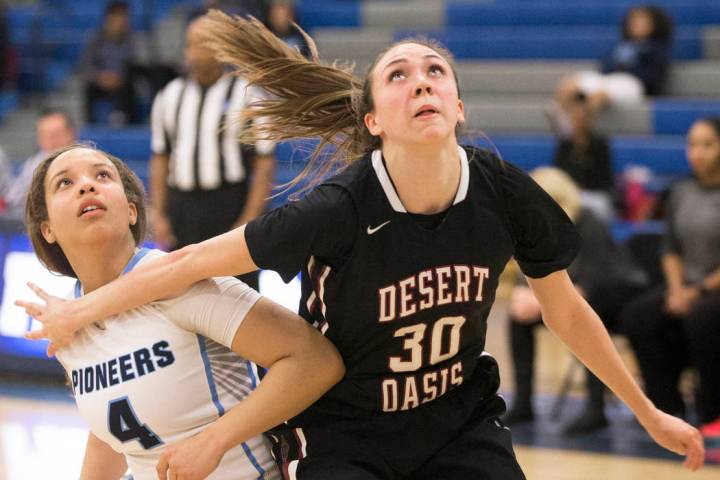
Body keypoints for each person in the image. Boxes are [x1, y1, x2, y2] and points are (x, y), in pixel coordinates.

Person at [18, 12, 704, 478]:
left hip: (456, 417)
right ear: (375, 119)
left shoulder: (500, 187)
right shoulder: (340, 207)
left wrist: (646, 413)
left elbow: (565, 307)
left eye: (435, 72)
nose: (422, 82)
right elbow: (192, 260)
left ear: (459, 106)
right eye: (399, 75)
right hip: (349, 430)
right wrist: (80, 314)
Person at [21, 144, 343, 479]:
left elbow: (315, 362)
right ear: (48, 230)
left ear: (132, 210)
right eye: (65, 183)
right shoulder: (67, 323)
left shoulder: (181, 284)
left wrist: (212, 441)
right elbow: (115, 430)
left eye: (102, 175)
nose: (87, 185)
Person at [503, 167, 648, 434]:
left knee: (587, 312)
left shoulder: (587, 220)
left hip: (618, 297)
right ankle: (524, 403)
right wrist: (520, 295)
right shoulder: (533, 227)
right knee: (518, 319)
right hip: (572, 297)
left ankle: (596, 408)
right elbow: (529, 273)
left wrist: (539, 301)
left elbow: (595, 281)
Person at [149, 15, 276, 290]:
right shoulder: (170, 95)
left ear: (221, 47)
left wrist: (249, 219)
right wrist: (159, 213)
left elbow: (264, 161)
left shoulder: (247, 94)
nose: (194, 53)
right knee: (182, 293)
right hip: (183, 206)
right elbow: (160, 156)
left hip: (229, 202)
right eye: (190, 45)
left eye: (202, 44)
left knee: (239, 291)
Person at [621, 117, 720, 458]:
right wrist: (677, 290)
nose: (698, 153)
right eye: (693, 145)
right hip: (688, 286)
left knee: (704, 321)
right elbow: (670, 248)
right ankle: (666, 411)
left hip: (714, 289)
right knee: (639, 316)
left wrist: (699, 290)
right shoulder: (681, 190)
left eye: (707, 144)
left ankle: (712, 416)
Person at [550, 5, 673, 135]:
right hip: (611, 78)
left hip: (633, 83)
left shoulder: (656, 49)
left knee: (599, 95)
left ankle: (577, 130)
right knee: (571, 83)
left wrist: (630, 68)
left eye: (643, 21)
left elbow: (653, 76)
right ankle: (562, 119)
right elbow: (605, 67)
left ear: (654, 24)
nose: (637, 24)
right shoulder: (621, 46)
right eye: (634, 20)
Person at [552, 91, 616, 223]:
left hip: (594, 195)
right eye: (575, 117)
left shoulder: (599, 145)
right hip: (569, 194)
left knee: (597, 207)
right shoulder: (564, 146)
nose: (578, 121)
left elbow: (605, 178)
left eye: (582, 117)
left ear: (589, 119)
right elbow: (559, 175)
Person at [5, 108, 77, 214]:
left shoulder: (89, 159)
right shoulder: (33, 165)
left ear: (71, 133)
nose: (52, 141)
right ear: (39, 139)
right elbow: (12, 199)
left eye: (56, 135)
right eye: (45, 136)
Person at [81, 1, 138, 125]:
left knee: (131, 84)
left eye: (124, 17)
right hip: (100, 82)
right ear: (108, 18)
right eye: (118, 17)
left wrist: (119, 77)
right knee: (88, 87)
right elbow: (87, 66)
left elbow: (134, 63)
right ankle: (91, 123)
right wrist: (101, 77)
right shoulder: (95, 40)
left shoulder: (132, 40)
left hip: (122, 82)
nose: (122, 21)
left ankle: (126, 121)